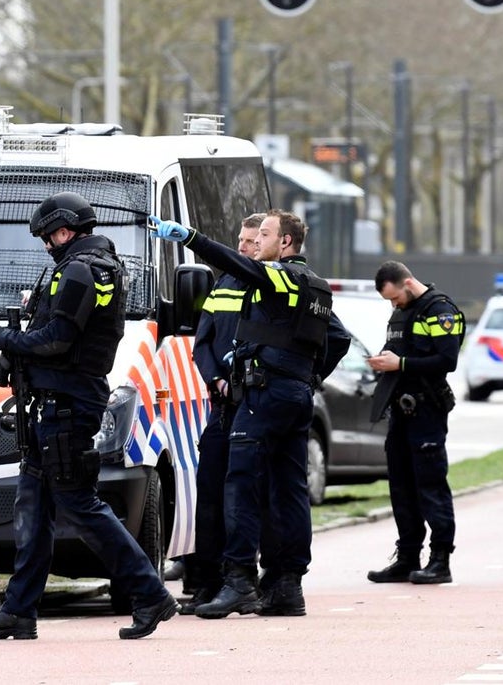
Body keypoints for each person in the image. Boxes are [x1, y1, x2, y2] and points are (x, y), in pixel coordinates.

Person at [0, 192, 178, 642]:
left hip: (68, 404)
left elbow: (57, 340)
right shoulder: (92, 266)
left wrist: (6, 339)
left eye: (49, 237)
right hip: (55, 404)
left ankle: (149, 593)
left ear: (64, 231)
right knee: (34, 507)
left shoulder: (81, 270)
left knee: (81, 506)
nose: (47, 245)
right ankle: (19, 611)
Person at [149, 209, 351, 619]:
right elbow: (331, 339)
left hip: (263, 396)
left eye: (265, 235)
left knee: (239, 484)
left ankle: (240, 581)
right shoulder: (315, 285)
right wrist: (307, 376)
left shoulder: (284, 277)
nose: (257, 242)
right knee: (288, 490)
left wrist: (191, 237)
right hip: (294, 397)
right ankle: (285, 587)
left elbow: (237, 264)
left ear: (286, 243)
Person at [179, 212, 265, 615]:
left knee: (248, 494)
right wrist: (215, 379)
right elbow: (203, 341)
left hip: (257, 403)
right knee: (210, 491)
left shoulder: (271, 284)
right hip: (222, 403)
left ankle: (248, 578)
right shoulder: (223, 284)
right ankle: (206, 580)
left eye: (252, 241)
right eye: (242, 241)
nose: (245, 248)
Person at [365, 261, 464, 585]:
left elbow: (446, 361)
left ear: (408, 282)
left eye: (395, 298)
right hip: (400, 410)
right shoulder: (400, 312)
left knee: (431, 485)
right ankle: (407, 557)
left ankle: (440, 560)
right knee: (401, 487)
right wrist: (385, 359)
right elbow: (398, 348)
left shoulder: (440, 311)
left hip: (427, 411)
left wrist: (401, 363)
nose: (394, 305)